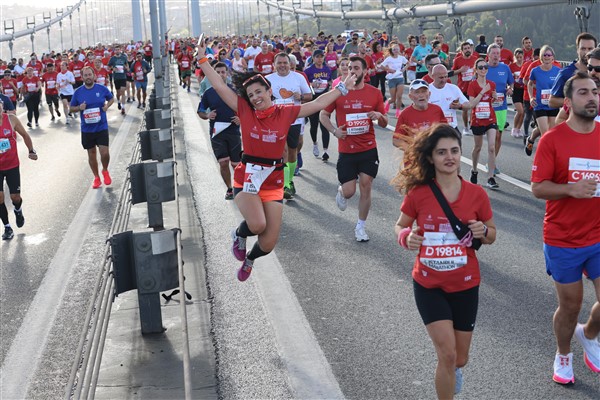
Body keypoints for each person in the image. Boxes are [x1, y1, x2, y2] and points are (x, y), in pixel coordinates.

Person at [195, 37, 357, 281]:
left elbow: (318, 103)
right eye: (251, 95)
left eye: (259, 92)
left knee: (269, 242)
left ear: (269, 91)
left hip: (273, 178)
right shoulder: (245, 110)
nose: (256, 97)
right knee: (257, 225)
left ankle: (250, 259)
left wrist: (341, 87)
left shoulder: (285, 112)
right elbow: (219, 86)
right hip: (248, 174)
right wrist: (202, 59)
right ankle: (239, 234)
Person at [392, 124, 496, 399]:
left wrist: (482, 232)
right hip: (429, 284)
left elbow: (492, 233)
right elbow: (400, 225)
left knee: (460, 358)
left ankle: (453, 370)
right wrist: (406, 237)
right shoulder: (418, 193)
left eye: (454, 150)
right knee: (447, 355)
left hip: (465, 284)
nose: (449, 157)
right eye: (441, 152)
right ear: (430, 158)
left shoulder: (476, 194)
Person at [531, 71, 600, 385]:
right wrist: (571, 190)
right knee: (570, 306)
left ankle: (589, 334)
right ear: (569, 102)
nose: (592, 98)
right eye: (584, 93)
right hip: (563, 237)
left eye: (595, 92)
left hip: (598, 233)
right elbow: (538, 187)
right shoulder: (552, 140)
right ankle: (563, 354)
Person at [319, 56, 388, 242]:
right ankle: (342, 191)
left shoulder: (374, 93)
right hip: (346, 150)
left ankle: (360, 227)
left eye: (356, 68)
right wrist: (334, 131)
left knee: (366, 186)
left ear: (365, 71)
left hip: (368, 148)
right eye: (349, 68)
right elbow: (323, 115)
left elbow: (384, 122)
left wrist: (379, 115)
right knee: (350, 191)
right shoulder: (339, 91)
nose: (352, 71)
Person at [266, 52, 313, 199]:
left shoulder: (298, 77)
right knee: (283, 152)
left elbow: (310, 96)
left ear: (290, 64)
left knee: (293, 151)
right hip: (276, 121)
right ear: (274, 65)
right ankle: (285, 184)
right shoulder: (267, 79)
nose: (282, 66)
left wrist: (301, 97)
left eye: (284, 63)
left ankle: (290, 180)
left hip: (295, 120)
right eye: (279, 63)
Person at [197, 62, 242, 201]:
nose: (221, 75)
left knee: (236, 164)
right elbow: (201, 111)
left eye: (223, 72)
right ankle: (229, 189)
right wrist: (207, 115)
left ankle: (239, 187)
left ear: (227, 74)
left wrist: (241, 118)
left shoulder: (234, 90)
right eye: (218, 72)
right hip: (217, 133)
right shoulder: (208, 93)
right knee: (223, 162)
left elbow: (246, 110)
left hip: (233, 131)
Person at [70, 67, 115, 189]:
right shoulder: (78, 92)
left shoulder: (101, 89)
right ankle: (96, 177)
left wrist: (106, 106)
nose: (88, 77)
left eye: (90, 74)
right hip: (87, 129)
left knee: (104, 153)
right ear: (82, 77)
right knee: (92, 154)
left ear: (94, 76)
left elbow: (111, 98)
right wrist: (79, 107)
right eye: (85, 75)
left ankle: (105, 170)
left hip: (101, 126)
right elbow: (71, 108)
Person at [0, 100, 38, 240]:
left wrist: (31, 150)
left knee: (15, 197)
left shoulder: (11, 119)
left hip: (12, 165)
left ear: (2, 106)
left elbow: (25, 135)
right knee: (0, 198)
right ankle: (7, 227)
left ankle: (18, 209)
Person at [467, 58, 499, 189]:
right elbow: (471, 104)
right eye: (480, 67)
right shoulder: (472, 85)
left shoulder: (492, 84)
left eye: (485, 67)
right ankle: (474, 170)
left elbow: (495, 103)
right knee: (478, 147)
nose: (484, 69)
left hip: (490, 118)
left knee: (492, 147)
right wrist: (482, 91)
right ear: (476, 70)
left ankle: (490, 177)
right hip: (477, 119)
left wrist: (496, 98)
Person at [525, 45, 561, 156]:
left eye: (548, 55)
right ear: (541, 57)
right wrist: (531, 97)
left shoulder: (558, 70)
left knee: (549, 131)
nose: (546, 57)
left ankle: (530, 139)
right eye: (544, 55)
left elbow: (562, 86)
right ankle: (544, 157)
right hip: (540, 105)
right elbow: (529, 84)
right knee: (545, 133)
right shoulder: (535, 71)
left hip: (553, 105)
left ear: (552, 57)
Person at [394, 79, 447, 152]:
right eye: (417, 92)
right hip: (414, 160)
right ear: (410, 96)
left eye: (424, 91)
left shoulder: (437, 110)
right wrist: (413, 151)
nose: (421, 95)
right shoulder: (405, 114)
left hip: (434, 158)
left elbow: (446, 132)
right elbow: (396, 140)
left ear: (429, 94)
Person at [549, 33, 597, 109]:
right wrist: (576, 102)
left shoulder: (597, 72)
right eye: (583, 49)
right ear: (577, 50)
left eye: (590, 49)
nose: (586, 52)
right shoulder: (565, 73)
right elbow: (552, 101)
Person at [485, 44, 514, 172]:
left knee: (498, 136)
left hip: (501, 107)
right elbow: (475, 84)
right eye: (494, 53)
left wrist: (510, 89)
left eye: (498, 53)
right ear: (488, 55)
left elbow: (511, 82)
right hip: (486, 107)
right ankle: (490, 162)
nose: (496, 56)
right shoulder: (483, 68)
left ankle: (492, 162)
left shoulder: (505, 68)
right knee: (489, 136)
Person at [305, 48, 333, 163]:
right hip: (313, 100)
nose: (320, 59)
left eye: (321, 56)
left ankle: (325, 151)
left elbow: (330, 81)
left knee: (325, 125)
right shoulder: (308, 71)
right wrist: (312, 84)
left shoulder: (327, 69)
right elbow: (305, 85)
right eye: (317, 57)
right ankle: (315, 143)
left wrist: (330, 85)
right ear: (313, 58)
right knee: (314, 125)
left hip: (325, 100)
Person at [428, 65, 471, 134]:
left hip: (451, 128)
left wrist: (459, 106)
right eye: (441, 77)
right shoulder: (427, 90)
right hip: (434, 130)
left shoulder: (453, 88)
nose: (444, 80)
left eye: (446, 77)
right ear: (433, 76)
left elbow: (468, 105)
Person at [452, 41, 477, 136]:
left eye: (468, 48)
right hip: (463, 87)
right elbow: (453, 72)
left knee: (474, 107)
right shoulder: (457, 60)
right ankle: (466, 127)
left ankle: (474, 125)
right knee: (465, 109)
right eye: (465, 49)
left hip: (474, 87)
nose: (467, 50)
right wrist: (460, 70)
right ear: (462, 51)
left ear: (471, 49)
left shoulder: (475, 59)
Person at [381, 43, 408, 112]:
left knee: (399, 97)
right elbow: (382, 66)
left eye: (397, 49)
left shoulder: (401, 58)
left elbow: (408, 63)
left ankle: (398, 112)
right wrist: (389, 70)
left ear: (399, 50)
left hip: (400, 78)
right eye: (394, 49)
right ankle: (387, 103)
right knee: (393, 98)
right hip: (392, 79)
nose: (396, 51)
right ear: (391, 50)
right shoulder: (389, 59)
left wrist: (403, 69)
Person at [108, 45, 130, 114]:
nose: (117, 51)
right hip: (116, 77)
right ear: (114, 51)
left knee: (123, 92)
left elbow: (127, 65)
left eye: (118, 49)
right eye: (116, 50)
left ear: (120, 50)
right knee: (118, 93)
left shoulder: (124, 57)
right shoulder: (112, 59)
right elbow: (108, 67)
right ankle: (118, 101)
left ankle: (123, 108)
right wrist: (112, 69)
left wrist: (126, 68)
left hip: (123, 77)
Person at [510, 48, 525, 138]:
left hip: (524, 90)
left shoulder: (526, 65)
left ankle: (518, 129)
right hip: (516, 90)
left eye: (521, 57)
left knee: (524, 112)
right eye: (517, 57)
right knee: (520, 111)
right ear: (515, 57)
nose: (519, 59)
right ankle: (514, 128)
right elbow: (510, 79)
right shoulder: (512, 66)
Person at [57, 61, 76, 125]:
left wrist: (69, 81)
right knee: (65, 104)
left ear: (66, 66)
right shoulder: (59, 75)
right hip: (62, 92)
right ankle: (67, 118)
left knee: (70, 105)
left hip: (70, 92)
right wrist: (57, 86)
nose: (61, 67)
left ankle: (73, 112)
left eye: (63, 65)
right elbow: (57, 83)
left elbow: (73, 82)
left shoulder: (70, 73)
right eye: (61, 65)